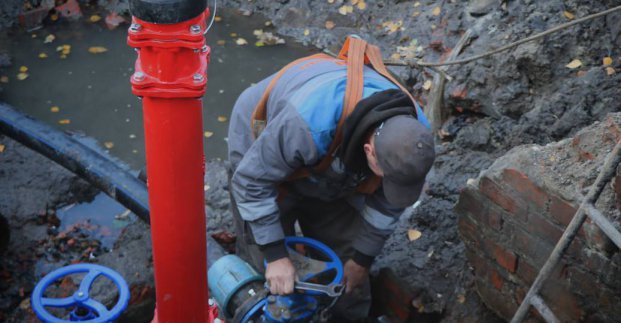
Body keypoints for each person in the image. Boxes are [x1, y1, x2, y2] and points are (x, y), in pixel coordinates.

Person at [227, 37, 435, 321]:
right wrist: (275, 255)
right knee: (267, 267)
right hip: (263, 148)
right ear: (369, 152)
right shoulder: (308, 123)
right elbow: (251, 182)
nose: (389, 189)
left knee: (350, 276)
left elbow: (386, 208)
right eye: (386, 179)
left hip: (331, 164)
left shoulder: (413, 139)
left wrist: (361, 260)